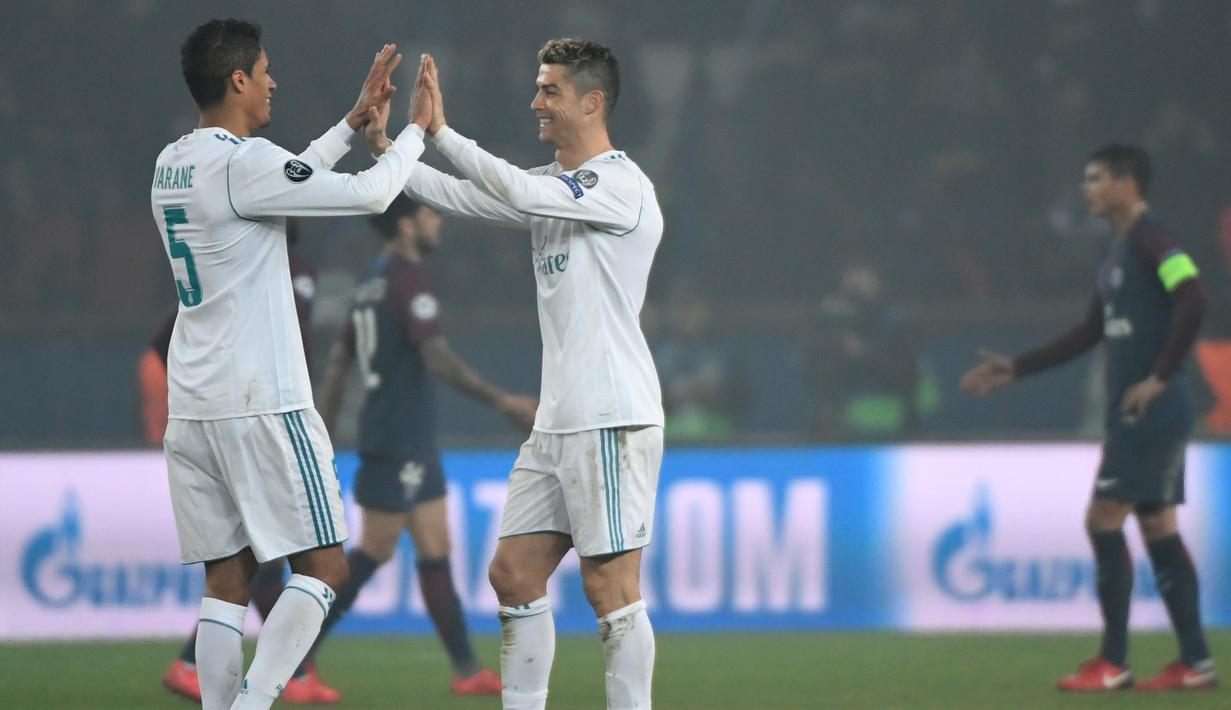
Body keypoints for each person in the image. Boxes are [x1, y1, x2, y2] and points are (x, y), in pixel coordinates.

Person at [369, 40, 665, 709]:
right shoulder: (555, 188)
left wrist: (441, 132)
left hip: (610, 414)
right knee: (513, 573)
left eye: (550, 90)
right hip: (558, 420)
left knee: (609, 587)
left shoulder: (620, 186)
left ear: (591, 102)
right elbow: (459, 195)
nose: (535, 102)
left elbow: (515, 188)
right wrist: (390, 146)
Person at [152, 18, 432, 710]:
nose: (273, 82)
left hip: (195, 401)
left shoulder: (173, 163)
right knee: (326, 566)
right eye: (264, 71)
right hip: (262, 400)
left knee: (227, 581)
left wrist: (348, 124)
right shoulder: (243, 165)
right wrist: (416, 133)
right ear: (237, 79)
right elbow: (368, 194)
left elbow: (281, 180)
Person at [961, 144, 1216, 692]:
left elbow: (1193, 296)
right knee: (1157, 525)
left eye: (1096, 179)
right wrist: (1019, 367)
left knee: (1103, 519)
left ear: (1127, 183)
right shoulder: (1116, 250)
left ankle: (1113, 662)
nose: (1087, 189)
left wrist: (1159, 375)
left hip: (1150, 407)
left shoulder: (1154, 238)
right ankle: (1195, 663)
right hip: (1145, 409)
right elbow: (1089, 330)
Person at [282, 194, 536, 701]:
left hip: (406, 436)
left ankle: (466, 670)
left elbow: (339, 364)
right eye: (428, 214)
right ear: (405, 226)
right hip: (396, 439)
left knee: (435, 549)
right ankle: (292, 663)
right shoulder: (407, 277)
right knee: (371, 553)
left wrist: (322, 431)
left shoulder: (370, 282)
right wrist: (502, 400)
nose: (437, 221)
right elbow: (436, 356)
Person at [159, 221, 340, 704]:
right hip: (264, 411)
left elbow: (171, 332)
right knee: (321, 564)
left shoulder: (227, 259)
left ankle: (198, 669)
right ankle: (265, 692)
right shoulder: (254, 261)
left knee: (234, 574)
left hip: (209, 410)